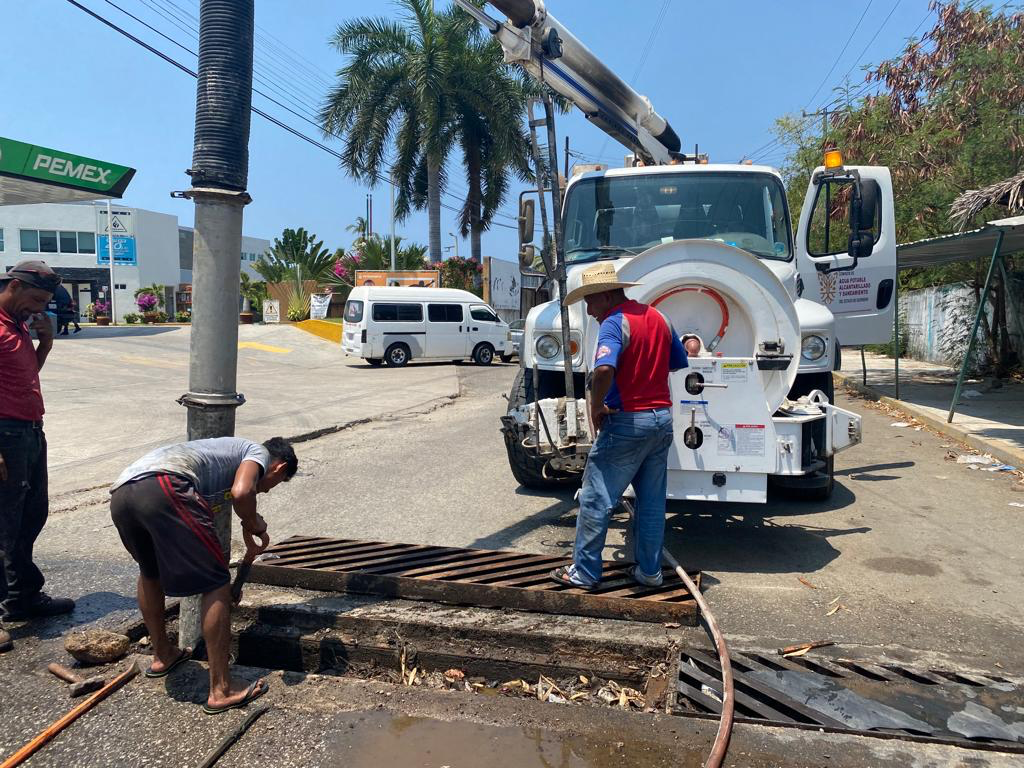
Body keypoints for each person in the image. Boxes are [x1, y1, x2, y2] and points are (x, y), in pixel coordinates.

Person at [109, 436, 297, 713]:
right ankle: (222, 688)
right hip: (166, 486)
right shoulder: (256, 452)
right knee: (217, 582)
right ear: (278, 468)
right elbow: (243, 492)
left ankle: (163, 655)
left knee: (150, 573)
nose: (267, 491)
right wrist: (253, 520)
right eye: (273, 486)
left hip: (123, 494)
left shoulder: (225, 455)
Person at [549, 263, 687, 589]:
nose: (589, 310)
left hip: (627, 421)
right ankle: (649, 573)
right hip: (661, 420)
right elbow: (678, 362)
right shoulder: (658, 317)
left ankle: (583, 573)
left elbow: (603, 370)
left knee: (596, 498)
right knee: (652, 503)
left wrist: (597, 405)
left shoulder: (613, 322)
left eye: (591, 301)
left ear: (607, 295)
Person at [0, 261, 76, 654]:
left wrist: (43, 344)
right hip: (5, 434)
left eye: (45, 303)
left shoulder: (16, 326)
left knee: (31, 515)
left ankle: (22, 597)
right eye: (35, 300)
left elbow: (24, 377)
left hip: (29, 431)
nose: (38, 308)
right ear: (14, 285)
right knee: (2, 522)